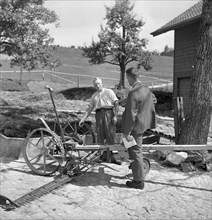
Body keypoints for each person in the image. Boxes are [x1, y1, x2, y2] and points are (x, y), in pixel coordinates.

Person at [121, 67, 156, 189]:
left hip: (134, 129)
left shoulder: (133, 92)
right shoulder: (146, 89)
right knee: (132, 151)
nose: (127, 81)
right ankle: (136, 172)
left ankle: (139, 181)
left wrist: (127, 132)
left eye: (127, 78)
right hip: (142, 126)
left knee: (136, 154)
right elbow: (153, 103)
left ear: (130, 77)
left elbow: (131, 115)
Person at [79, 77, 121, 164]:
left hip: (109, 113)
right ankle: (103, 155)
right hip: (99, 115)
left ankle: (113, 156)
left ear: (102, 83)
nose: (97, 86)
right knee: (100, 135)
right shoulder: (94, 96)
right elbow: (89, 108)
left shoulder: (109, 92)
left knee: (110, 134)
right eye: (95, 85)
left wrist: (116, 116)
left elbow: (116, 103)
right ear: (94, 86)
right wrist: (83, 119)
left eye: (98, 83)